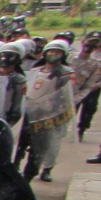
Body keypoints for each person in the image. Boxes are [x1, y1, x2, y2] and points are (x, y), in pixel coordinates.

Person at [22, 38, 75, 182]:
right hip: (29, 113)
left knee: (45, 147)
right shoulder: (35, 70)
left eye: (57, 52)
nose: (53, 54)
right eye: (51, 51)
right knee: (21, 144)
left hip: (50, 115)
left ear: (63, 54)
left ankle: (42, 171)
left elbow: (68, 96)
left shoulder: (66, 74)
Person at [73, 32, 101, 143]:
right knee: (72, 109)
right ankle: (68, 131)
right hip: (78, 87)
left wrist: (100, 84)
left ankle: (81, 130)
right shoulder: (81, 54)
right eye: (91, 41)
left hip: (93, 88)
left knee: (89, 110)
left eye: (96, 42)